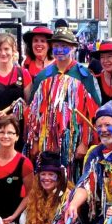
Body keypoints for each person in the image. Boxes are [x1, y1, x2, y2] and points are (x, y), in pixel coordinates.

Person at [25, 28, 102, 176]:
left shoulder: (84, 76)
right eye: (56, 46)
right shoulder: (43, 76)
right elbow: (33, 112)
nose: (60, 50)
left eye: (64, 46)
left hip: (74, 143)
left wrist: (85, 143)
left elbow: (94, 112)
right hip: (46, 142)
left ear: (73, 48)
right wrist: (34, 141)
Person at [63, 102, 112, 224]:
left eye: (108, 125)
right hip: (102, 217)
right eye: (99, 126)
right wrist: (73, 204)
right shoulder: (95, 154)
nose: (103, 130)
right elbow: (86, 183)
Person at [25, 152, 84, 224]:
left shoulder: (65, 195)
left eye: (51, 174)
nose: (47, 178)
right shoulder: (35, 194)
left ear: (59, 177)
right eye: (43, 174)